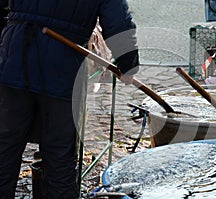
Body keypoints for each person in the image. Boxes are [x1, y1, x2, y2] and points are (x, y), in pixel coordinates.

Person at [0, 0, 139, 198]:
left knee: (5, 149)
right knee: (59, 156)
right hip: (60, 66)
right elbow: (118, 22)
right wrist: (128, 63)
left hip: (15, 56)